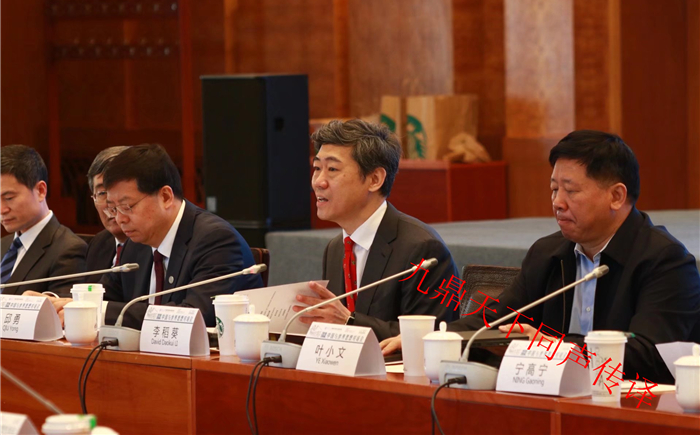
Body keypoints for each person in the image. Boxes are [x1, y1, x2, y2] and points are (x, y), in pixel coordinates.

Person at [381, 130, 700, 384]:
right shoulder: (549, 253)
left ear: (616, 196)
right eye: (554, 189)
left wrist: (555, 348)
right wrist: (437, 338)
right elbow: (496, 319)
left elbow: (651, 355)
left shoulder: (665, 261)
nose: (558, 202)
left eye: (571, 191)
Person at [54, 144, 263, 328]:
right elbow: (106, 296)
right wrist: (65, 305)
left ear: (165, 196)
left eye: (127, 206)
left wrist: (98, 311)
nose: (119, 219)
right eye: (114, 208)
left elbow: (193, 316)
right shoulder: (136, 244)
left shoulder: (216, 241)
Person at [295, 119, 459, 342]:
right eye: (316, 168)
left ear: (374, 179)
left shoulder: (423, 249)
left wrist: (349, 322)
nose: (318, 182)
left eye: (332, 169)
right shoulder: (335, 248)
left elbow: (434, 335)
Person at [1, 145, 87, 296]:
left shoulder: (69, 250)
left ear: (41, 191)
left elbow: (61, 307)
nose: (2, 209)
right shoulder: (3, 245)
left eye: (9, 198)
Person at [84, 146, 130, 280]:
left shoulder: (152, 246)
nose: (111, 204)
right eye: (102, 193)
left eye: (118, 190)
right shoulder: (98, 244)